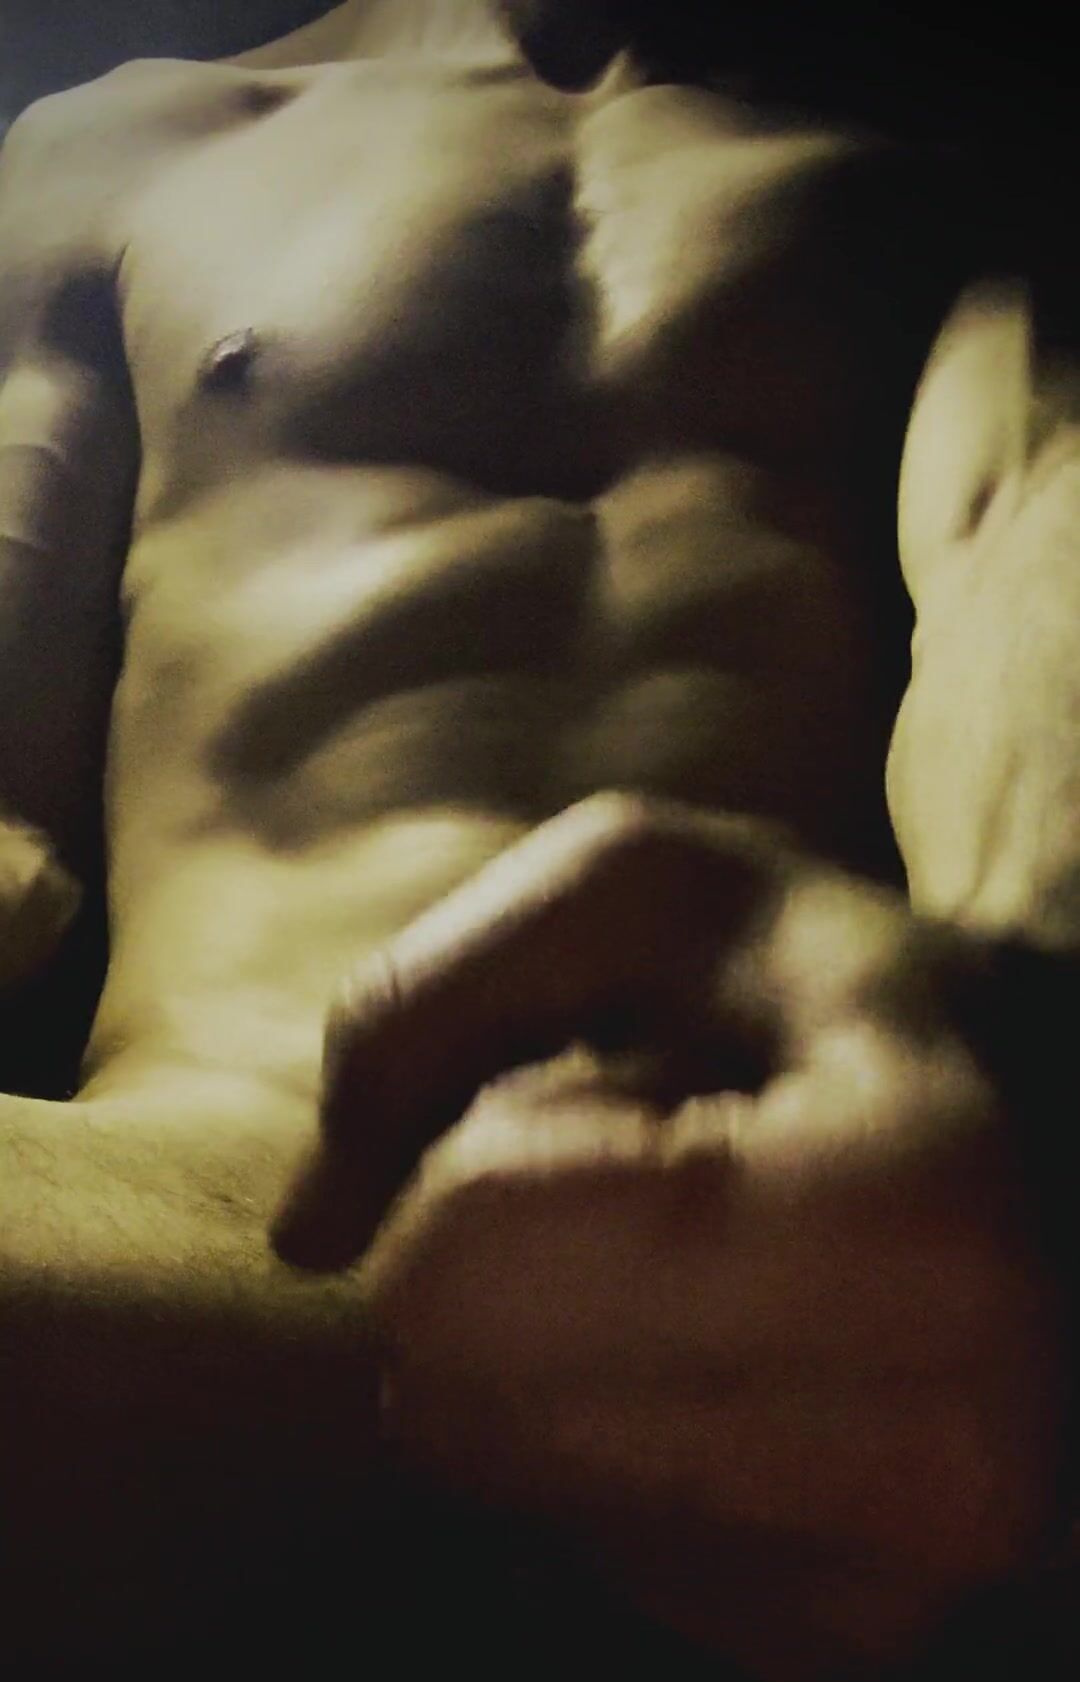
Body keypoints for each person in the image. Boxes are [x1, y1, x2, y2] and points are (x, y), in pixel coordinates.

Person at [0, 2, 1075, 1673]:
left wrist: (1023, 1070)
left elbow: (1030, 543)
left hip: (795, 1222)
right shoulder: (117, 142)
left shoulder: (949, 190)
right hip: (227, 1188)